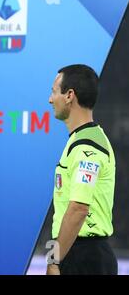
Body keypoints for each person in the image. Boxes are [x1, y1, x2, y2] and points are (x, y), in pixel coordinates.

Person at [46, 64, 117, 275]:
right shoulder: (81, 140)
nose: (50, 99)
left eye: (53, 92)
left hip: (85, 257)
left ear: (69, 95)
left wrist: (53, 260)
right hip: (75, 251)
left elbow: (78, 208)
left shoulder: (87, 146)